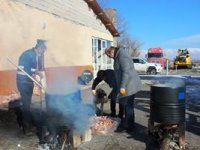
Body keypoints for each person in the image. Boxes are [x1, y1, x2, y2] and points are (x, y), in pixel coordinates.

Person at [105, 46, 142, 132]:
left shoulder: (122, 56)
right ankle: (127, 123)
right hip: (127, 84)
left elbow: (126, 72)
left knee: (129, 106)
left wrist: (123, 86)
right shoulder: (119, 54)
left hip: (129, 85)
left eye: (109, 56)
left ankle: (130, 127)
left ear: (111, 52)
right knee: (126, 104)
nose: (110, 57)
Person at [16, 39, 47, 135]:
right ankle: (26, 129)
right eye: (42, 51)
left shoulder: (32, 54)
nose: (42, 53)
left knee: (27, 104)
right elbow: (26, 71)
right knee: (26, 106)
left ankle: (26, 124)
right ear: (39, 48)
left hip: (26, 81)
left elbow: (31, 69)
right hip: (23, 82)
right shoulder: (30, 55)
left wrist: (37, 73)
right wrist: (37, 80)